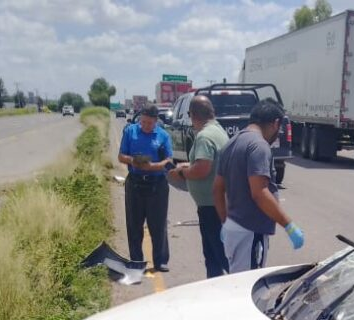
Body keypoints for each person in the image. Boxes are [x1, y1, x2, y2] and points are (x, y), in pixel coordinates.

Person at [213, 98, 304, 273]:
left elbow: (217, 189)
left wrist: (225, 222)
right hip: (250, 232)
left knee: (236, 280)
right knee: (246, 285)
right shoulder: (259, 146)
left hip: (234, 228)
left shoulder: (231, 143)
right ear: (276, 123)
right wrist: (289, 225)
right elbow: (260, 193)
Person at [168, 95, 229, 278]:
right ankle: (218, 290)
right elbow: (207, 163)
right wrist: (188, 166)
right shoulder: (218, 131)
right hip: (217, 203)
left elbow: (202, 169)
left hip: (211, 207)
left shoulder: (204, 136)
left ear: (192, 114)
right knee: (216, 255)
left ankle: (228, 291)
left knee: (216, 256)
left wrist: (180, 173)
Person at [118, 104, 173, 280]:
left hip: (157, 184)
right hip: (135, 183)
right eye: (144, 122)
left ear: (156, 121)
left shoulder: (163, 136)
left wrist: (152, 166)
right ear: (140, 119)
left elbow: (168, 161)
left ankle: (160, 260)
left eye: (150, 123)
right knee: (134, 224)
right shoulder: (130, 132)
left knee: (158, 224)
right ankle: (136, 260)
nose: (146, 126)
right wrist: (133, 161)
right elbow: (121, 156)